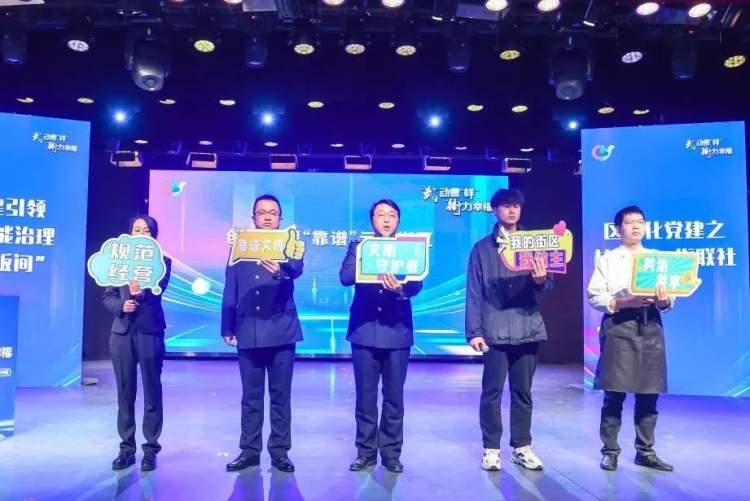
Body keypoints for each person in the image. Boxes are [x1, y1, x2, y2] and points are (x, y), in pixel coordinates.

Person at [465, 188, 552, 472]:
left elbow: (547, 286)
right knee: (491, 392)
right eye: (506, 205)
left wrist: (540, 280)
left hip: (527, 326)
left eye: (516, 205)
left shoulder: (535, 243)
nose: (512, 210)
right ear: (495, 211)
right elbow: (474, 292)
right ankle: (491, 449)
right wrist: (474, 331)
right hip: (494, 330)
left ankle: (522, 447)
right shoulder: (482, 248)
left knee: (523, 392)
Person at [587, 205, 674, 472]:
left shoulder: (657, 258)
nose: (636, 226)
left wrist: (665, 301)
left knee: (649, 393)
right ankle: (610, 450)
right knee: (614, 393)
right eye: (629, 222)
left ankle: (645, 451)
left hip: (650, 327)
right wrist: (625, 301)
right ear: (618, 229)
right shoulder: (608, 259)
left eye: (640, 221)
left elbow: (670, 296)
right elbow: (595, 296)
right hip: (619, 326)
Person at [222, 194, 305, 473]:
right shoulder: (241, 245)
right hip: (248, 329)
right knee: (251, 396)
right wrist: (227, 325)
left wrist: (281, 271)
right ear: (254, 218)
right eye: (262, 212)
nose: (268, 217)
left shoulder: (290, 243)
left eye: (273, 213)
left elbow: (296, 269)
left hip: (282, 329)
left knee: (280, 396)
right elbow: (230, 286)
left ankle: (280, 452)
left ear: (280, 218)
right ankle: (249, 451)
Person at [340, 199, 423, 474]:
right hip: (364, 331)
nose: (386, 219)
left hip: (397, 331)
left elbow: (416, 284)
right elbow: (345, 277)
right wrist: (370, 261)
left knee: (394, 398)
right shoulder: (359, 247)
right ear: (372, 219)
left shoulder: (408, 249)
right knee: (365, 397)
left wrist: (401, 289)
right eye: (381, 214)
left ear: (398, 220)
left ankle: (391, 454)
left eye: (392, 215)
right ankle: (365, 453)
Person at [103, 215, 171, 472]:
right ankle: (126, 448)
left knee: (152, 391)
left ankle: (150, 449)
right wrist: (122, 305)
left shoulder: (162, 262)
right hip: (121, 333)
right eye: (136, 229)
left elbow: (158, 290)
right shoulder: (116, 262)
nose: (141, 234)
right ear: (129, 233)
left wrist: (140, 294)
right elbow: (108, 296)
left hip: (149, 331)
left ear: (153, 236)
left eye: (146, 231)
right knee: (125, 392)